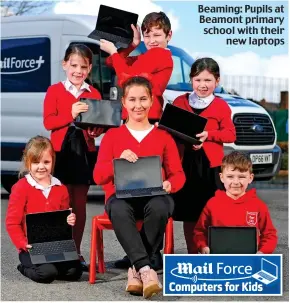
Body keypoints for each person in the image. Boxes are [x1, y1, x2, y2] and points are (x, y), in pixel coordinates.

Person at [93, 76, 185, 298]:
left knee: (162, 206)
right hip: (121, 197)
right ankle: (145, 269)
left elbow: (178, 174)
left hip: (155, 195)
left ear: (152, 100)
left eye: (143, 99)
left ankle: (135, 270)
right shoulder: (112, 136)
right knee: (118, 208)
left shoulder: (163, 137)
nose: (138, 105)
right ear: (123, 102)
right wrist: (117, 164)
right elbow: (97, 176)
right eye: (132, 99)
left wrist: (169, 184)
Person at [43, 44, 104, 269]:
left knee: (79, 204)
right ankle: (58, 251)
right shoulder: (54, 90)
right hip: (61, 151)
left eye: (84, 67)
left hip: (84, 152)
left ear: (89, 69)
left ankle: (75, 252)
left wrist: (97, 130)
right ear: (65, 64)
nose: (78, 71)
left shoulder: (94, 93)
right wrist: (70, 114)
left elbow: (99, 124)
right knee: (61, 203)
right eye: (74, 65)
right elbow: (49, 122)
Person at [171, 57, 236, 253]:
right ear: (191, 80)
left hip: (211, 167)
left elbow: (231, 134)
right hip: (185, 166)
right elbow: (171, 131)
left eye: (208, 80)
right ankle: (193, 255)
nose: (202, 85)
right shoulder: (180, 101)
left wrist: (209, 136)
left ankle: (211, 253)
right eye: (198, 80)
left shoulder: (221, 106)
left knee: (211, 214)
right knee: (190, 215)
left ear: (217, 81)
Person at [6, 136, 82, 283]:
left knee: (75, 272)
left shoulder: (61, 188)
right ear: (28, 163)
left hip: (54, 246)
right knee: (46, 274)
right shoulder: (21, 188)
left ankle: (53, 267)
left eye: (46, 162)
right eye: (36, 162)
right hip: (30, 247)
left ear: (52, 161)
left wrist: (69, 219)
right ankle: (24, 267)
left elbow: (63, 219)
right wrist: (23, 244)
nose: (41, 167)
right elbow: (12, 223)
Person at [194, 151, 278, 254]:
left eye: (241, 177)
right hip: (218, 260)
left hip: (249, 262)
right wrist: (203, 246)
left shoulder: (258, 206)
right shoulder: (212, 204)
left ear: (250, 178)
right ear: (221, 177)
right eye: (230, 177)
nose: (236, 182)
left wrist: (262, 252)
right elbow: (199, 232)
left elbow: (270, 235)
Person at [101, 11, 173, 123]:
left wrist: (113, 51)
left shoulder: (159, 54)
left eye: (157, 35)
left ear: (169, 35)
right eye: (147, 36)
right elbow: (111, 62)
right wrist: (134, 44)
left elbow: (126, 78)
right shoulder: (145, 57)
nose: (152, 41)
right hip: (141, 116)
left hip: (145, 117)